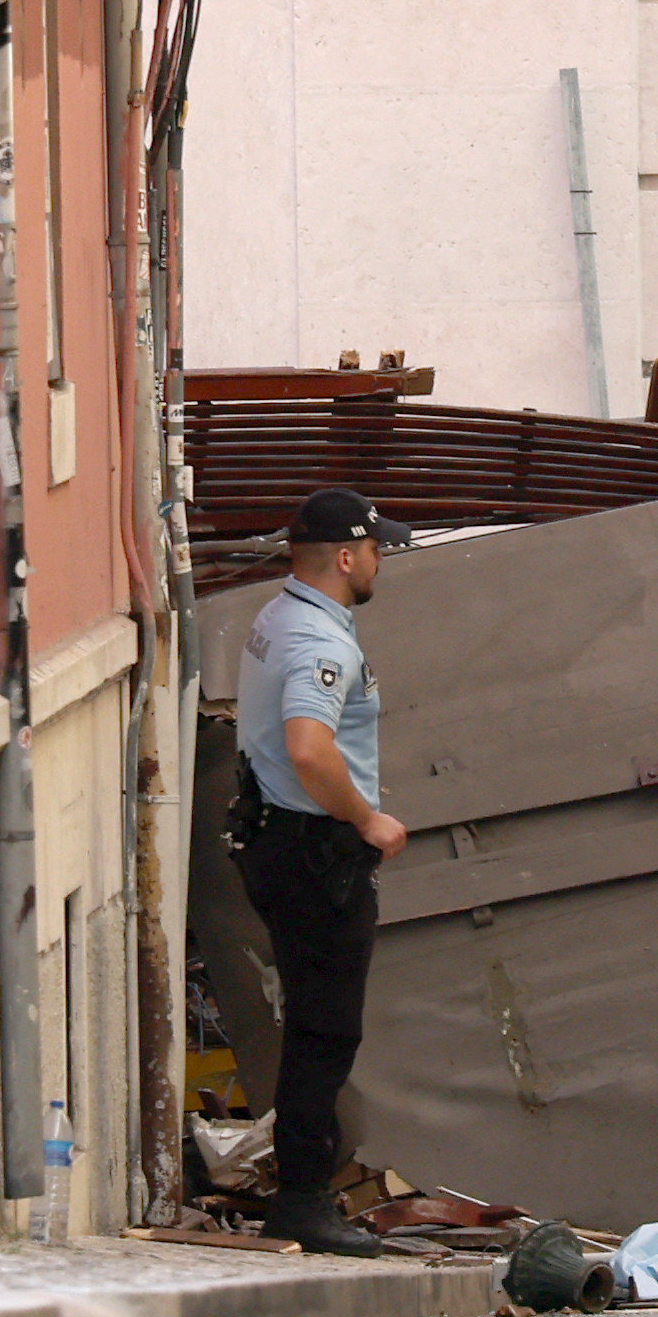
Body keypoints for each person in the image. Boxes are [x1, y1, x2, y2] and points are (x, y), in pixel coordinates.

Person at [230, 485, 413, 1255]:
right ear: (345, 557)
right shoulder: (322, 645)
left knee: (313, 1024)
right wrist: (366, 819)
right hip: (314, 852)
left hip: (272, 835)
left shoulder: (280, 616)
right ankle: (303, 1198)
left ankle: (302, 1189)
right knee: (325, 1031)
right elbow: (309, 748)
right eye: (375, 549)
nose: (380, 562)